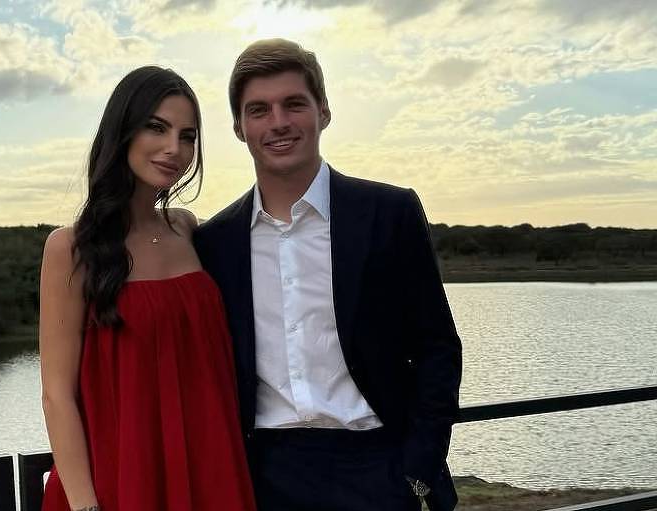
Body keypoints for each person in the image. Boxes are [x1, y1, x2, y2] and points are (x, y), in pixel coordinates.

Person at [194, 39, 462, 511]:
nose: (278, 122)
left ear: (324, 111)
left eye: (293, 104)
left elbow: (438, 348)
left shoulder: (389, 213)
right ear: (239, 127)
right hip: (263, 477)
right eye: (259, 110)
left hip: (378, 468)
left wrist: (416, 467)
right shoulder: (215, 242)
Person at [39, 66, 256, 511]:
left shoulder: (187, 229)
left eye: (188, 135)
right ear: (123, 130)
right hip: (122, 478)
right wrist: (86, 506)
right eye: (157, 127)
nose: (174, 148)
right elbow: (56, 394)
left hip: (210, 470)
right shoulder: (72, 248)